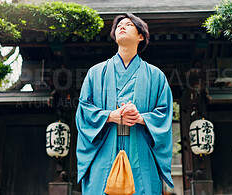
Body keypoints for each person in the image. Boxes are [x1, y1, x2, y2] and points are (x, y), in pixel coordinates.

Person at [75, 13, 174, 194]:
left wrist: (140, 118)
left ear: (140, 36)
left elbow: (165, 112)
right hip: (104, 150)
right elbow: (84, 110)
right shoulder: (95, 73)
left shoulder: (156, 75)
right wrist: (110, 116)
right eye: (119, 25)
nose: (121, 27)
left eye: (128, 24)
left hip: (141, 151)